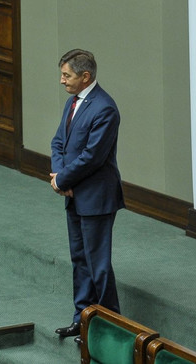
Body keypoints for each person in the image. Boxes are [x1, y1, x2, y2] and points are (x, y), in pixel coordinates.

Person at [50, 49, 124, 343]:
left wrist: (63, 180)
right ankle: (83, 320)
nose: (61, 81)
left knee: (98, 264)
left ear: (85, 76)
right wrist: (59, 177)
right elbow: (59, 143)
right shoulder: (73, 101)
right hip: (75, 194)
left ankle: (109, 327)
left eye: (66, 75)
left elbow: (93, 157)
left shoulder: (105, 108)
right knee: (80, 260)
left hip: (96, 198)